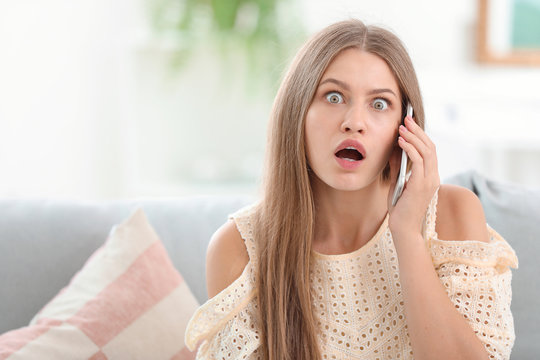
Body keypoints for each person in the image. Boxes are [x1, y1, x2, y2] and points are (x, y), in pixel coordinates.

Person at [184, 19, 518, 360]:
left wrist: (407, 236)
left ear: (406, 128)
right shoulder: (238, 248)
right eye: (333, 96)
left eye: (379, 104)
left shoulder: (453, 215)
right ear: (296, 113)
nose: (354, 121)